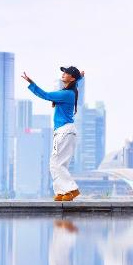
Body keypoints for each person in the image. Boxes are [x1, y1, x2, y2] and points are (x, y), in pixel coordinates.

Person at [21, 66, 85, 201]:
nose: (63, 74)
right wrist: (80, 77)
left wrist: (31, 83)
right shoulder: (71, 91)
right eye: (64, 72)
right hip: (68, 132)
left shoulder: (66, 94)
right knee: (60, 164)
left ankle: (71, 189)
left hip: (63, 131)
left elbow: (45, 95)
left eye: (67, 73)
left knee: (55, 163)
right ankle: (62, 191)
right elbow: (76, 82)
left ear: (72, 78)